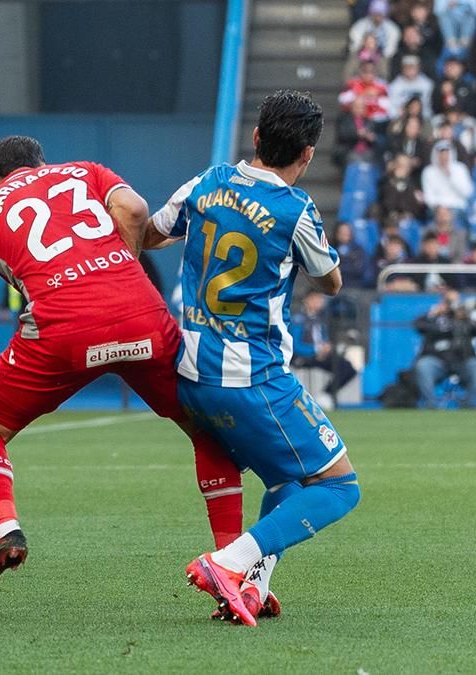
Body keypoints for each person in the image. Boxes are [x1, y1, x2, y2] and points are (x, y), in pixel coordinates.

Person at [0, 135, 244, 604]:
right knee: (207, 431)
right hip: (140, 314)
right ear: (43, 162)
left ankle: (6, 528)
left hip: (63, 332)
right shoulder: (85, 172)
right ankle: (232, 567)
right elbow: (137, 210)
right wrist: (116, 265)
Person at [143, 91, 358, 627]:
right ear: (307, 156)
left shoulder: (206, 182)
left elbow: (150, 234)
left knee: (285, 479)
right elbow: (331, 282)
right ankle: (228, 563)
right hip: (253, 379)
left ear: (257, 137)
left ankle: (256, 586)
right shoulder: (296, 210)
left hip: (192, 374)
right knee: (337, 486)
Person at [412, 289, 476, 408]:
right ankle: (431, 405)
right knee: (423, 365)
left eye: (455, 301)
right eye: (449, 301)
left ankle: (469, 404)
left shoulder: (463, 319)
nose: (452, 304)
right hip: (437, 361)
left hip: (462, 361)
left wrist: (466, 316)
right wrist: (433, 313)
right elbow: (418, 325)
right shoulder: (434, 318)